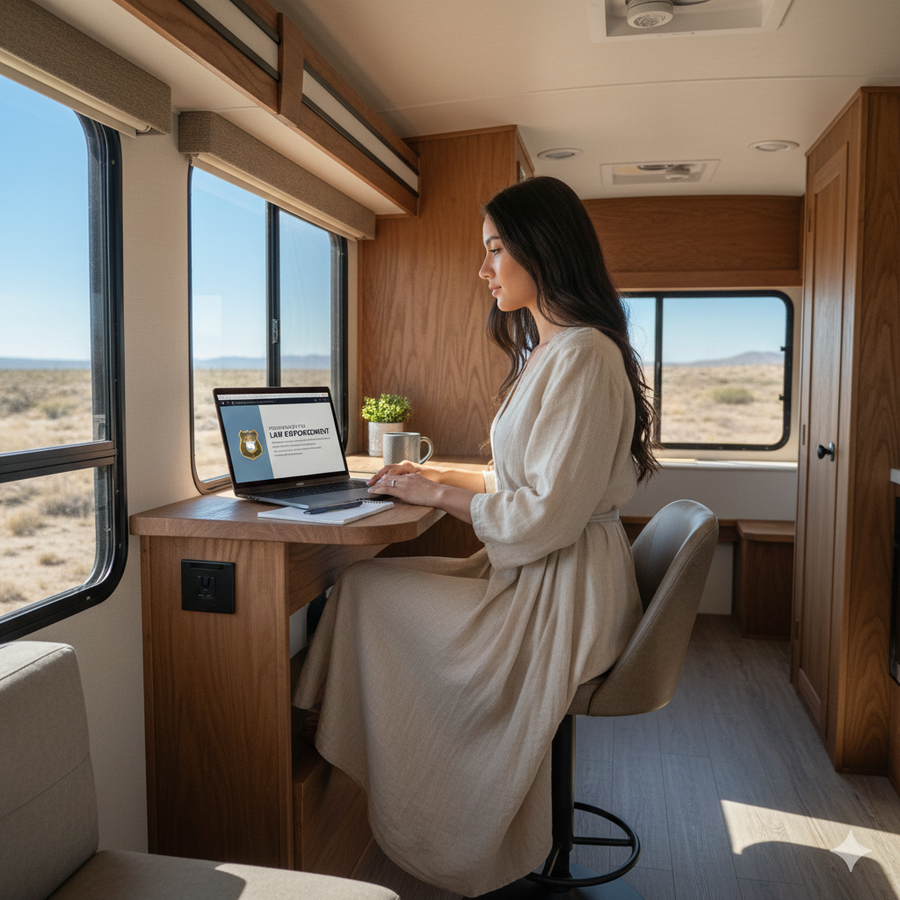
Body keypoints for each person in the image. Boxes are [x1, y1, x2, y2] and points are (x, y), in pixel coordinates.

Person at [293, 176, 657, 897]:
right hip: (550, 570)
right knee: (367, 586)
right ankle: (340, 744)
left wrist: (433, 490)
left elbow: (547, 514)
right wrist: (438, 485)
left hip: (560, 594)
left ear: (541, 251)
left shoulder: (582, 356)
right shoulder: (554, 352)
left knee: (363, 589)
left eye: (495, 250)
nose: (482, 269)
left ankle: (333, 757)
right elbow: (532, 486)